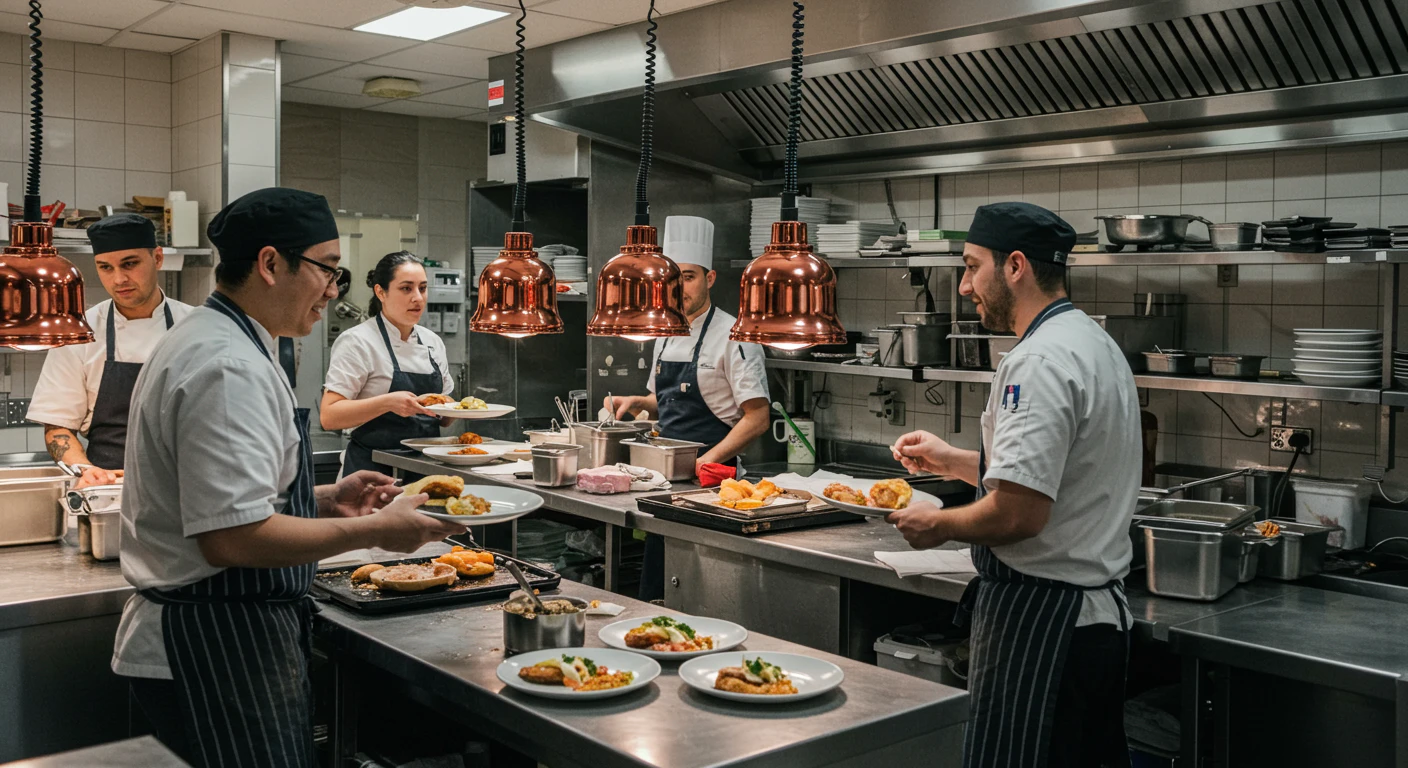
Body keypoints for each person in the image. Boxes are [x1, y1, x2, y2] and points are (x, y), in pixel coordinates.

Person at [113, 188, 466, 768]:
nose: (333, 289)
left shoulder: (223, 340)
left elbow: (224, 498)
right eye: (327, 269)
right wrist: (376, 531)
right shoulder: (228, 364)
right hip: (217, 645)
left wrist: (325, 499)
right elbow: (232, 537)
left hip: (220, 635)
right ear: (271, 264)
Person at [887, 202, 1139, 768]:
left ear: (1016, 266)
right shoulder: (1092, 342)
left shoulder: (1039, 361)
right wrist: (952, 461)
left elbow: (1019, 515)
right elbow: (1054, 474)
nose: (963, 287)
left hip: (1047, 630)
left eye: (972, 267)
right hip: (1088, 626)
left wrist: (938, 525)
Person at [606, 215, 770, 600]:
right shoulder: (663, 330)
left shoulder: (735, 336)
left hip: (715, 486)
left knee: (704, 589)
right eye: (673, 277)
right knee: (658, 586)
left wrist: (705, 460)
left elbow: (758, 417)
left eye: (690, 277)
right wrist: (636, 402)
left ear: (710, 279)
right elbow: (663, 404)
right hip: (666, 483)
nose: (680, 287)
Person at [27, 213, 193, 488]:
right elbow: (58, 427)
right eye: (105, 267)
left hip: (186, 487)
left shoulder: (198, 327)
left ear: (158, 258)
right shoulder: (80, 333)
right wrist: (85, 471)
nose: (119, 279)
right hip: (108, 489)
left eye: (130, 264)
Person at [320, 251, 453, 477]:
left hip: (424, 471)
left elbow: (446, 421)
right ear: (381, 292)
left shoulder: (433, 342)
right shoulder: (358, 341)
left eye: (422, 288)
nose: (418, 298)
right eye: (406, 288)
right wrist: (388, 403)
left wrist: (452, 407)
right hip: (370, 474)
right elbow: (330, 416)